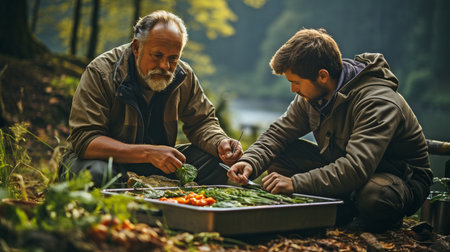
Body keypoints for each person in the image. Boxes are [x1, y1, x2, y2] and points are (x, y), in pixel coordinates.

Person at [227, 28, 433, 232]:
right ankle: (343, 208)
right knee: (280, 153)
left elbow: (356, 167)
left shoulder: (377, 102)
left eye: (296, 82)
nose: (293, 90)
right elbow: (278, 134)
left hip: (396, 179)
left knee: (375, 195)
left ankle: (373, 215)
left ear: (323, 75)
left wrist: (295, 183)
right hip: (344, 168)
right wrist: (250, 161)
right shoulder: (311, 95)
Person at [60, 10, 242, 187]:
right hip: (107, 162)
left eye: (173, 58)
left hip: (157, 165)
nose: (164, 66)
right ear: (137, 47)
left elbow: (202, 122)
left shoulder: (183, 76)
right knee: (96, 174)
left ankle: (175, 205)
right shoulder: (102, 72)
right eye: (157, 56)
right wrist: (147, 153)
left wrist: (220, 142)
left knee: (216, 163)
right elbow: (85, 140)